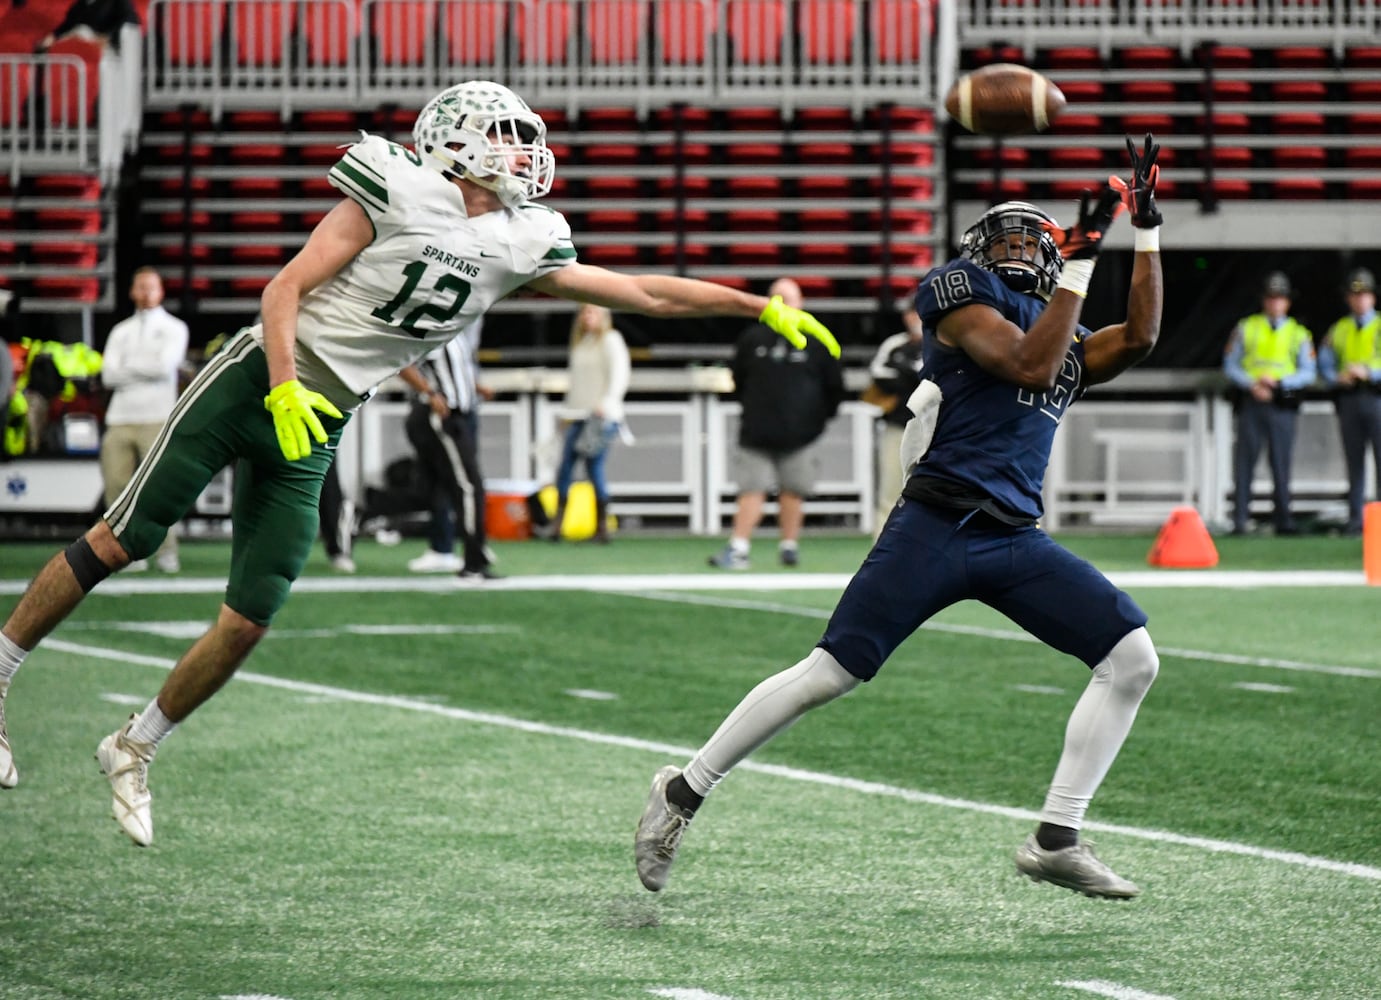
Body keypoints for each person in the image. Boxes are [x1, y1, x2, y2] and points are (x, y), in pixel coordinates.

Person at [0, 80, 838, 835]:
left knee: (252, 614)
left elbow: (643, 292)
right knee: (125, 538)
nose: (526, 152)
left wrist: (755, 305)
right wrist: (285, 386)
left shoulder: (519, 239)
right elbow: (283, 288)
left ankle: (135, 745)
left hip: (321, 422)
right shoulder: (394, 183)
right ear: (457, 138)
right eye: (507, 134)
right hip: (257, 380)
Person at [637, 135, 1166, 901]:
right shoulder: (956, 292)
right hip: (936, 525)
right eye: (1007, 236)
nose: (1022, 247)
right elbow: (1028, 365)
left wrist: (1145, 229)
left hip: (1013, 537)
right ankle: (682, 791)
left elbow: (1141, 337)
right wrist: (1080, 267)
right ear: (979, 252)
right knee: (831, 673)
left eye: (1037, 239)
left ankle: (1056, 836)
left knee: (1132, 658)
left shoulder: (1065, 324)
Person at [708, 277, 845, 569]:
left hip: (801, 433)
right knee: (750, 489)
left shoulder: (817, 340)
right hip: (757, 431)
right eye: (778, 298)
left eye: (789, 298)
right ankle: (739, 547)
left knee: (793, 490)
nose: (784, 304)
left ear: (801, 302)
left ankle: (789, 545)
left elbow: (834, 386)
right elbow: (738, 380)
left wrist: (816, 421)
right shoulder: (753, 338)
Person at [97, 266, 189, 574]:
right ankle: (124, 553)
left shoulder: (174, 328)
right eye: (141, 287)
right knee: (116, 487)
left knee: (158, 488)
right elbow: (108, 375)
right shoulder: (120, 330)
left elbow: (165, 367)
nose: (146, 293)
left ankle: (166, 552)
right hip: (120, 417)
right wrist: (143, 368)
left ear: (161, 290)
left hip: (157, 417)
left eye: (152, 287)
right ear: (132, 291)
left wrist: (128, 369)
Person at [400, 317, 497, 577]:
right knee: (468, 486)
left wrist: (475, 388)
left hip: (456, 414)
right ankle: (474, 560)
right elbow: (400, 362)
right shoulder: (431, 327)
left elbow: (457, 370)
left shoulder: (456, 331)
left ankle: (464, 550)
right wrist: (430, 393)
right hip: (441, 417)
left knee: (449, 487)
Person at [1222, 271, 1317, 536]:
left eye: (1280, 298)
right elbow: (1231, 365)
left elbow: (1308, 371)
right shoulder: (1247, 327)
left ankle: (1283, 521)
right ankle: (1240, 520)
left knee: (1281, 463)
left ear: (1287, 302)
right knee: (1244, 463)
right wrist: (1252, 383)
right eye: (1271, 298)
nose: (1276, 303)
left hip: (1281, 403)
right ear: (1264, 300)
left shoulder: (1299, 333)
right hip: (1252, 401)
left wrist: (1279, 382)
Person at [540, 304, 631, 544]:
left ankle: (602, 527)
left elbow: (620, 374)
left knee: (594, 468)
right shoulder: (582, 342)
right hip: (577, 414)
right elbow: (577, 383)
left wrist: (608, 402)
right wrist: (566, 414)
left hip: (600, 416)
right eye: (585, 312)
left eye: (593, 312)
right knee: (565, 468)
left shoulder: (611, 340)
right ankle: (557, 525)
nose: (587, 317)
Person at [1317, 267, 1381, 536]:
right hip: (1350, 399)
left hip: (1377, 396)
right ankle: (1356, 520)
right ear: (1348, 299)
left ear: (1372, 297)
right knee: (1354, 462)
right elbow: (1324, 361)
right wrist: (1337, 377)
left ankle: (1378, 521)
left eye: (1364, 294)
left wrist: (1369, 372)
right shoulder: (1340, 329)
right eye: (1355, 295)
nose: (1359, 300)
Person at [863, 305, 926, 536]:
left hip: (938, 431)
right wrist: (911, 376)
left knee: (939, 495)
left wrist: (907, 373)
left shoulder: (943, 341)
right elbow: (879, 375)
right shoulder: (895, 344)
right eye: (912, 312)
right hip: (899, 426)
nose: (915, 318)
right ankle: (881, 551)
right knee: (890, 493)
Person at [35, 0, 139, 51]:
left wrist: (107, 38)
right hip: (79, 47)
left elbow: (130, 21)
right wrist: (53, 36)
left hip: (108, 51)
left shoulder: (118, 2)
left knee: (82, 31)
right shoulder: (79, 5)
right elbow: (67, 25)